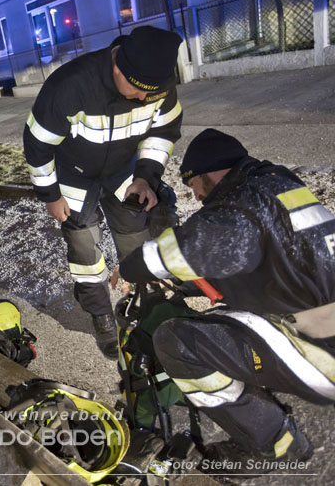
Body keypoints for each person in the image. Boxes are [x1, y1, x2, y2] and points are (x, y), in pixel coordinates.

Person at [119, 128, 335, 464]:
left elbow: (186, 250)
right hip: (321, 317)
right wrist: (187, 284)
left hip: (322, 349)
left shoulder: (242, 202)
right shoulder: (277, 184)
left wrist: (131, 268)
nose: (196, 197)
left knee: (178, 342)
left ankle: (275, 443)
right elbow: (253, 260)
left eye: (193, 186)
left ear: (206, 174)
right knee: (225, 317)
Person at [23, 25, 183, 359]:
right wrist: (51, 195)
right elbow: (37, 146)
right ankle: (100, 315)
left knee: (136, 236)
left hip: (126, 173)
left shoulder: (160, 86)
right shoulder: (69, 86)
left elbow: (164, 131)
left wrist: (146, 177)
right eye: (137, 90)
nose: (141, 99)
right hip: (75, 178)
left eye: (149, 95)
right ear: (116, 65)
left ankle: (146, 300)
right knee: (84, 252)